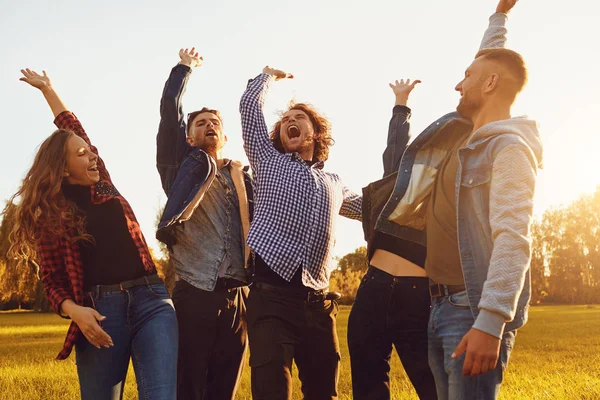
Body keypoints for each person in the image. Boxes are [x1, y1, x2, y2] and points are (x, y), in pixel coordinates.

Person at [349, 2, 517, 398]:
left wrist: (499, 22)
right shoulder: (411, 180)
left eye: (466, 78)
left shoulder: (485, 147)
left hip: (422, 292)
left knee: (435, 388)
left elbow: (490, 68)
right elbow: (395, 159)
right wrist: (400, 108)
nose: (459, 85)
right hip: (373, 286)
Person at [8, 68, 177, 400]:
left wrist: (48, 89)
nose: (92, 155)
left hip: (152, 300)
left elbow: (72, 126)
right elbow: (53, 281)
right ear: (62, 168)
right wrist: (76, 312)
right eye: (82, 153)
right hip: (100, 311)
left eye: (91, 150)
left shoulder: (104, 186)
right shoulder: (51, 216)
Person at [239, 66, 362, 399]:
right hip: (270, 299)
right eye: (284, 121)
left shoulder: (334, 183)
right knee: (271, 391)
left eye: (298, 117)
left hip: (319, 306)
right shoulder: (267, 161)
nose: (289, 121)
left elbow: (372, 209)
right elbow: (249, 110)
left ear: (315, 133)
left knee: (325, 393)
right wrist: (267, 77)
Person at [156, 48, 253, 400]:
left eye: (216, 123)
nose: (209, 125)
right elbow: (170, 114)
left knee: (224, 387)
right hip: (195, 291)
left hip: (239, 294)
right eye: (201, 123)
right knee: (189, 385)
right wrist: (185, 68)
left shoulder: (243, 180)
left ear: (226, 138)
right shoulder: (182, 168)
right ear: (189, 138)